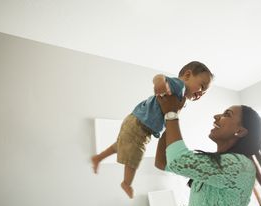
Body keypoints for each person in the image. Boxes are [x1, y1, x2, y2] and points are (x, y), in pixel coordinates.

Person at [91, 61, 213, 198]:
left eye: (204, 93)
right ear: (187, 75)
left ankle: (98, 158)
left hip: (137, 121)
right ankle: (126, 183)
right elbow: (159, 77)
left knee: (121, 145)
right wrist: (160, 82)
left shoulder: (181, 97)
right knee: (136, 154)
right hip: (140, 124)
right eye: (202, 86)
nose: (201, 94)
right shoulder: (179, 86)